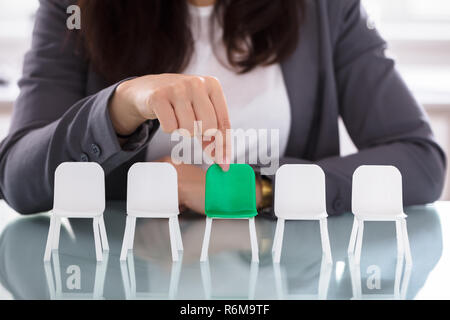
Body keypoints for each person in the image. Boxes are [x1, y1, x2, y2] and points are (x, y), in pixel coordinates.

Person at [0, 0, 445, 216]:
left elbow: (419, 161)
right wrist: (119, 106)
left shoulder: (326, 8)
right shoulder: (75, 8)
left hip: (282, 275)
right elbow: (18, 179)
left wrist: (259, 189)